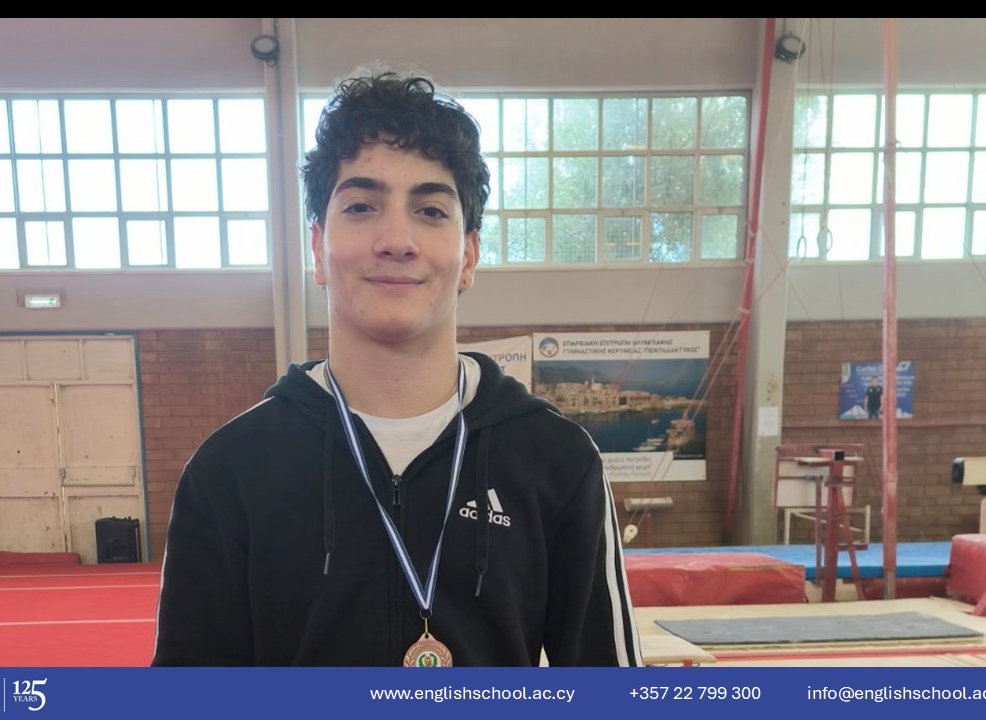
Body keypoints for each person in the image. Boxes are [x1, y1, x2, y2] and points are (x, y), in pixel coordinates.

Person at [151, 67, 641, 667]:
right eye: (361, 206)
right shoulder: (230, 470)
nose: (397, 239)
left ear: (468, 257)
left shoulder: (557, 459)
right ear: (318, 249)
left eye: (431, 210)